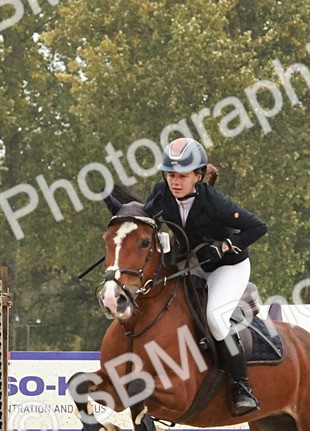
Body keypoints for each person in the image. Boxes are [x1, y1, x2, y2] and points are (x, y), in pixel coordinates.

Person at [113, 137, 268, 416]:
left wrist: (223, 247)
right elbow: (145, 220)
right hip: (190, 262)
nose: (175, 181)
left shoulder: (214, 202)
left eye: (182, 176)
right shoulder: (162, 193)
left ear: (198, 176)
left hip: (226, 267)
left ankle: (241, 388)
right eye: (170, 175)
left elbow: (258, 227)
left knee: (215, 319)